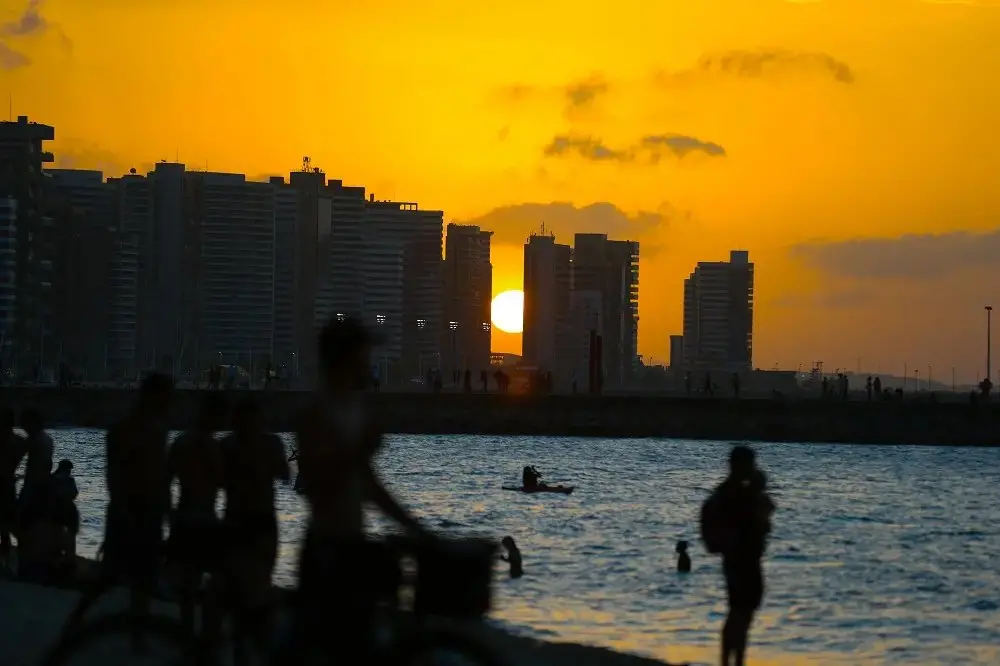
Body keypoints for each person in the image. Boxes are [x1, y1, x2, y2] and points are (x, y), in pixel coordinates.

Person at [281, 317, 429, 663]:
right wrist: (360, 449)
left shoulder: (356, 412)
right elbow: (319, 485)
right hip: (326, 549)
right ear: (346, 359)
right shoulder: (315, 414)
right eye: (364, 355)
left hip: (353, 544)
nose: (369, 362)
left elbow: (369, 486)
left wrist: (415, 527)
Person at [63, 373, 174, 649]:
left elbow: (161, 477)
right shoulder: (125, 430)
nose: (168, 402)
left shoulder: (157, 431)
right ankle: (78, 619)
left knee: (144, 578)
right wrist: (123, 508)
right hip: (128, 510)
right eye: (164, 396)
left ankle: (137, 632)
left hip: (148, 511)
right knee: (111, 576)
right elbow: (114, 474)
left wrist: (165, 513)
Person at [217, 395, 290, 662]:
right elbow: (217, 481)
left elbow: (284, 475)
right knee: (238, 591)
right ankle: (243, 648)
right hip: (239, 522)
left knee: (257, 588)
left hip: (260, 522)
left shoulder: (269, 444)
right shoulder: (228, 445)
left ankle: (251, 644)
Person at [701, 445, 774, 666]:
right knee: (739, 612)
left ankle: (735, 660)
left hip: (747, 558)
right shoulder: (732, 493)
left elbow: (766, 512)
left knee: (743, 611)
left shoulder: (742, 490)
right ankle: (729, 661)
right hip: (738, 558)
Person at [166, 393, 228, 638]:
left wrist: (169, 514)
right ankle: (207, 632)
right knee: (216, 580)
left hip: (185, 513)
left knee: (188, 584)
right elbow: (222, 480)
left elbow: (165, 479)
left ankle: (188, 631)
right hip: (203, 517)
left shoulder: (181, 442)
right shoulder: (210, 445)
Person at [0, 409, 25, 567]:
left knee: (6, 525)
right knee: (7, 525)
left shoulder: (9, 441)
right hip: (8, 483)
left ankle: (7, 560)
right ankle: (9, 559)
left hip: (5, 483)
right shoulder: (19, 441)